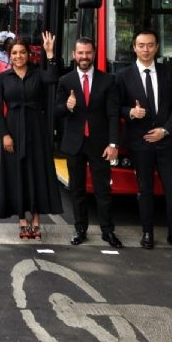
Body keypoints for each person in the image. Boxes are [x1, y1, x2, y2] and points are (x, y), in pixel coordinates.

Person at [117, 29, 172, 253]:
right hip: (140, 143)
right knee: (144, 190)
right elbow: (115, 106)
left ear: (157, 47)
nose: (146, 49)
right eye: (141, 45)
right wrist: (130, 112)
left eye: (150, 45)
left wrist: (165, 130)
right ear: (134, 48)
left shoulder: (168, 73)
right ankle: (147, 233)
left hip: (165, 142)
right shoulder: (123, 76)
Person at [55, 37, 123, 248]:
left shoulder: (108, 80)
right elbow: (56, 111)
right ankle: (80, 229)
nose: (84, 57)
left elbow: (113, 115)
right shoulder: (65, 81)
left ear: (94, 54)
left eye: (88, 53)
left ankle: (107, 231)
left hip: (100, 144)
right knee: (77, 189)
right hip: (74, 143)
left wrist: (114, 144)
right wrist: (67, 106)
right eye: (80, 53)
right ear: (74, 55)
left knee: (103, 190)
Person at [0, 33, 62, 240]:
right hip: (13, 129)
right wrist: (5, 135)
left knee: (37, 172)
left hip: (36, 129)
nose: (18, 56)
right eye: (14, 53)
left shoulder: (38, 74)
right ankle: (22, 218)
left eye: (22, 52)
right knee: (17, 173)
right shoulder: (3, 78)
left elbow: (53, 78)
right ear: (9, 56)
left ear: (28, 54)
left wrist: (50, 54)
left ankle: (36, 218)